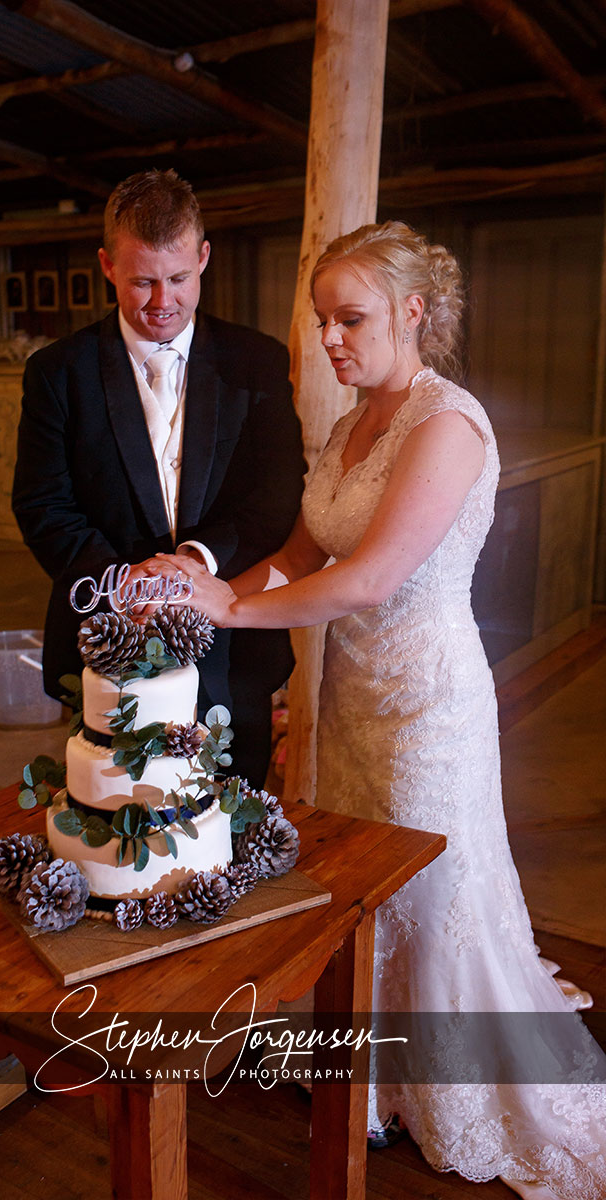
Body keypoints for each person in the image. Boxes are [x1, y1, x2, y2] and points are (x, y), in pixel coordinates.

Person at [155, 222, 606, 1199]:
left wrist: (236, 610)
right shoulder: (353, 420)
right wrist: (214, 589)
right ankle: (367, 1067)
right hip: (347, 701)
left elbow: (367, 580)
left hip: (422, 705)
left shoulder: (446, 425)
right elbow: (306, 552)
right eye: (321, 320)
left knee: (428, 893)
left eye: (348, 318)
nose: (329, 339)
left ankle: (437, 1081)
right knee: (358, 887)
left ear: (412, 311)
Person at [12, 169, 305, 786]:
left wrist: (196, 560)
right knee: (120, 815)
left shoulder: (258, 360)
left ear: (203, 258)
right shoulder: (57, 372)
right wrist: (124, 582)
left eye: (178, 279)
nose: (161, 302)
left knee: (234, 820)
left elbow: (278, 492)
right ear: (107, 266)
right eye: (142, 281)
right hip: (107, 636)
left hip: (232, 640)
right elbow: (42, 503)